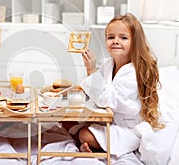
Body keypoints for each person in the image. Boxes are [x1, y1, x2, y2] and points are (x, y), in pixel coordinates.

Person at [66, 13, 164, 159]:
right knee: (66, 122)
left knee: (83, 134)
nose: (115, 41)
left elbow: (106, 98)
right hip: (106, 120)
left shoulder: (133, 73)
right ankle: (88, 145)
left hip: (126, 130)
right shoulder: (108, 64)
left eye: (123, 38)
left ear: (135, 42)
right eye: (111, 37)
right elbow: (97, 89)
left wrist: (91, 70)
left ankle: (93, 147)